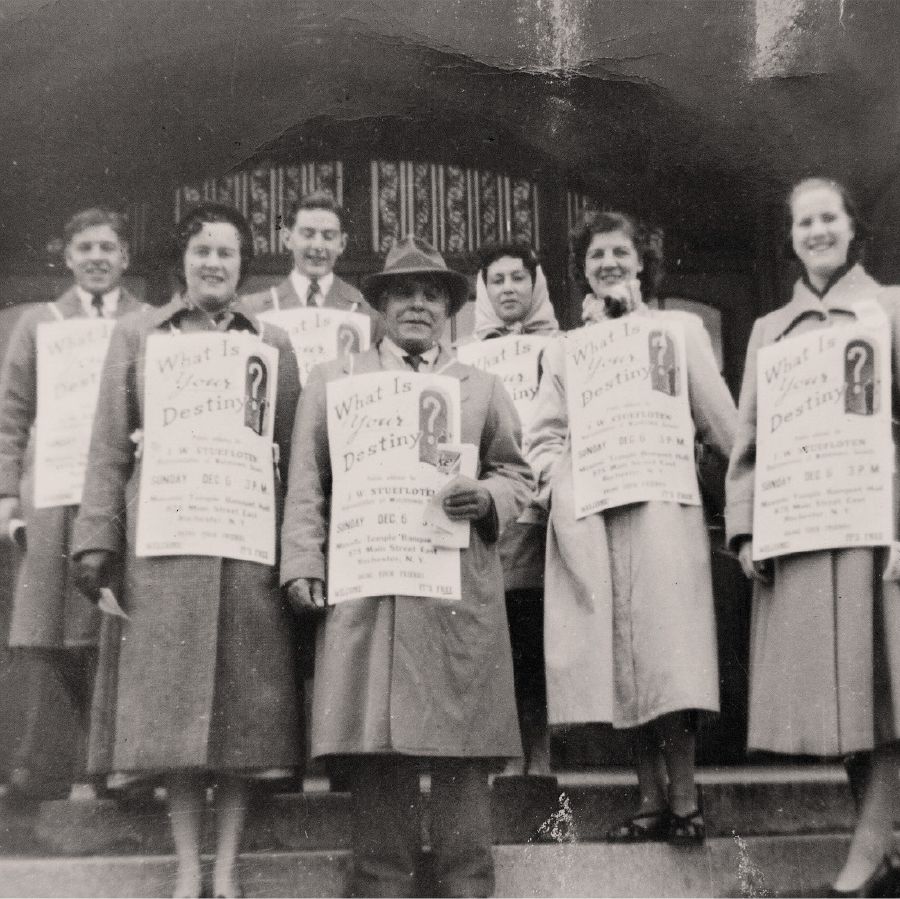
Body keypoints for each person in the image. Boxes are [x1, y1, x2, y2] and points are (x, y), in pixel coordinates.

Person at [281, 234, 533, 898]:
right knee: (378, 743)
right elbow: (307, 482)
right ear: (380, 305)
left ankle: (467, 884)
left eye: (432, 295)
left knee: (463, 746)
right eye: (403, 294)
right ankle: (382, 885)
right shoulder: (335, 381)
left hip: (453, 588)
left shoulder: (481, 387)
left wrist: (490, 496)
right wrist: (303, 561)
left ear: (449, 309)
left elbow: (517, 474)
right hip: (371, 586)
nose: (418, 305)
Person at [71, 203, 303, 899]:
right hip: (165, 547)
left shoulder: (272, 341)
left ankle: (225, 868)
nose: (213, 264)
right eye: (202, 251)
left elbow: (293, 451)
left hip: (244, 545)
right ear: (182, 260)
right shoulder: (139, 335)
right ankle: (185, 866)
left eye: (226, 253)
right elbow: (108, 445)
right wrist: (95, 540)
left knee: (240, 716)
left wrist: (297, 553)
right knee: (174, 712)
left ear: (243, 265)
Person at [527, 210, 736, 845]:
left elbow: (725, 429)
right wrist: (563, 486)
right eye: (597, 255)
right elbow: (542, 438)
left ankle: (686, 797)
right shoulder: (566, 349)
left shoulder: (678, 331)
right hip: (597, 517)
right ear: (583, 269)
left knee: (670, 658)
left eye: (620, 252)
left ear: (642, 262)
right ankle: (648, 798)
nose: (609, 263)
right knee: (618, 660)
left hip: (663, 514)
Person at [726, 177, 900, 897]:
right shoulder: (771, 330)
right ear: (791, 238)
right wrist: (745, 531)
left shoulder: (891, 308)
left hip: (878, 532)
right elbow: (748, 441)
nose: (818, 231)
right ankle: (884, 849)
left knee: (888, 694)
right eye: (805, 222)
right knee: (844, 707)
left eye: (830, 218)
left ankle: (864, 861)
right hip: (802, 532)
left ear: (853, 228)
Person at [0, 207, 144, 799]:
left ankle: (118, 764)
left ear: (125, 257)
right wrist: (7, 495)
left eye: (107, 247)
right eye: (85, 248)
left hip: (120, 492)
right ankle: (46, 765)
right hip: (54, 493)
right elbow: (11, 415)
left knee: (117, 619)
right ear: (67, 256)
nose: (96, 258)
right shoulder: (39, 322)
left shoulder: (147, 321)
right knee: (50, 624)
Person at [471, 241, 559, 778]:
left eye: (518, 278)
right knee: (494, 640)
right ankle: (505, 758)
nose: (508, 289)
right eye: (497, 280)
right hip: (495, 520)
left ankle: (541, 758)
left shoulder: (562, 347)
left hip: (544, 518)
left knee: (535, 641)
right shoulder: (467, 357)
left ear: (535, 284)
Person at [242, 189, 384, 341]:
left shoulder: (366, 313)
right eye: (308, 234)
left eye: (328, 236)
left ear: (342, 244)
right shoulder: (254, 310)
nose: (318, 245)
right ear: (288, 238)